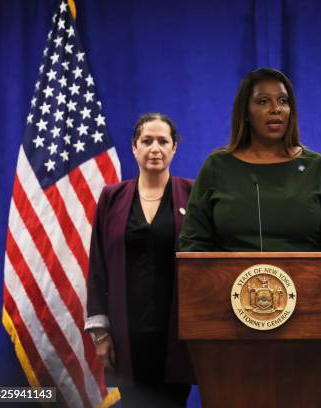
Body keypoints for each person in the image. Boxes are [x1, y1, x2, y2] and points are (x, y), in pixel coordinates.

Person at [179, 67, 321, 252]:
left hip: (306, 280)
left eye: (283, 101)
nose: (276, 109)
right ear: (245, 112)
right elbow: (193, 243)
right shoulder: (217, 166)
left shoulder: (316, 166)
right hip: (230, 280)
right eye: (263, 101)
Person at [85, 113, 194, 407]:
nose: (155, 148)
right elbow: (98, 268)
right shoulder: (111, 197)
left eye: (163, 141)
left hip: (176, 334)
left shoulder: (193, 195)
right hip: (126, 336)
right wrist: (100, 333)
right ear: (134, 147)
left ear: (175, 148)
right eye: (147, 141)